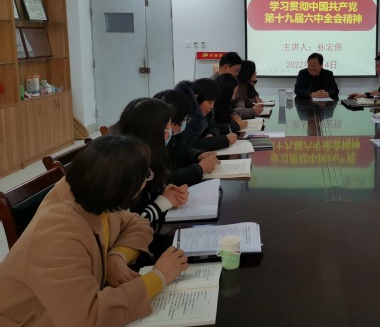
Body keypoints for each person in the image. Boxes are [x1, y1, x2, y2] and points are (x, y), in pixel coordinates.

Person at [0, 135, 189, 327]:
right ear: (125, 187)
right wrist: (158, 277)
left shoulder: (92, 196)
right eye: (146, 175)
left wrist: (116, 257)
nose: (147, 180)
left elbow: (137, 223)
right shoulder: (58, 233)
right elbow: (87, 318)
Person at [113, 98, 189, 229]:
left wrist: (164, 194)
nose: (171, 131)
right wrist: (163, 203)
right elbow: (128, 226)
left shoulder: (148, 157)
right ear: (154, 133)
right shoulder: (127, 168)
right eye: (168, 127)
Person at [154, 89, 220, 186]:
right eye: (184, 119)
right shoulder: (153, 146)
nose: (185, 122)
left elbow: (184, 148)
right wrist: (200, 169)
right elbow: (164, 179)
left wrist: (198, 155)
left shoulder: (174, 135)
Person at [176, 79, 238, 151]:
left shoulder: (202, 113)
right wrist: (225, 140)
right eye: (209, 102)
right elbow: (193, 144)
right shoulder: (185, 116)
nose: (211, 107)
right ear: (197, 98)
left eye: (213, 103)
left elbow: (212, 126)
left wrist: (211, 133)